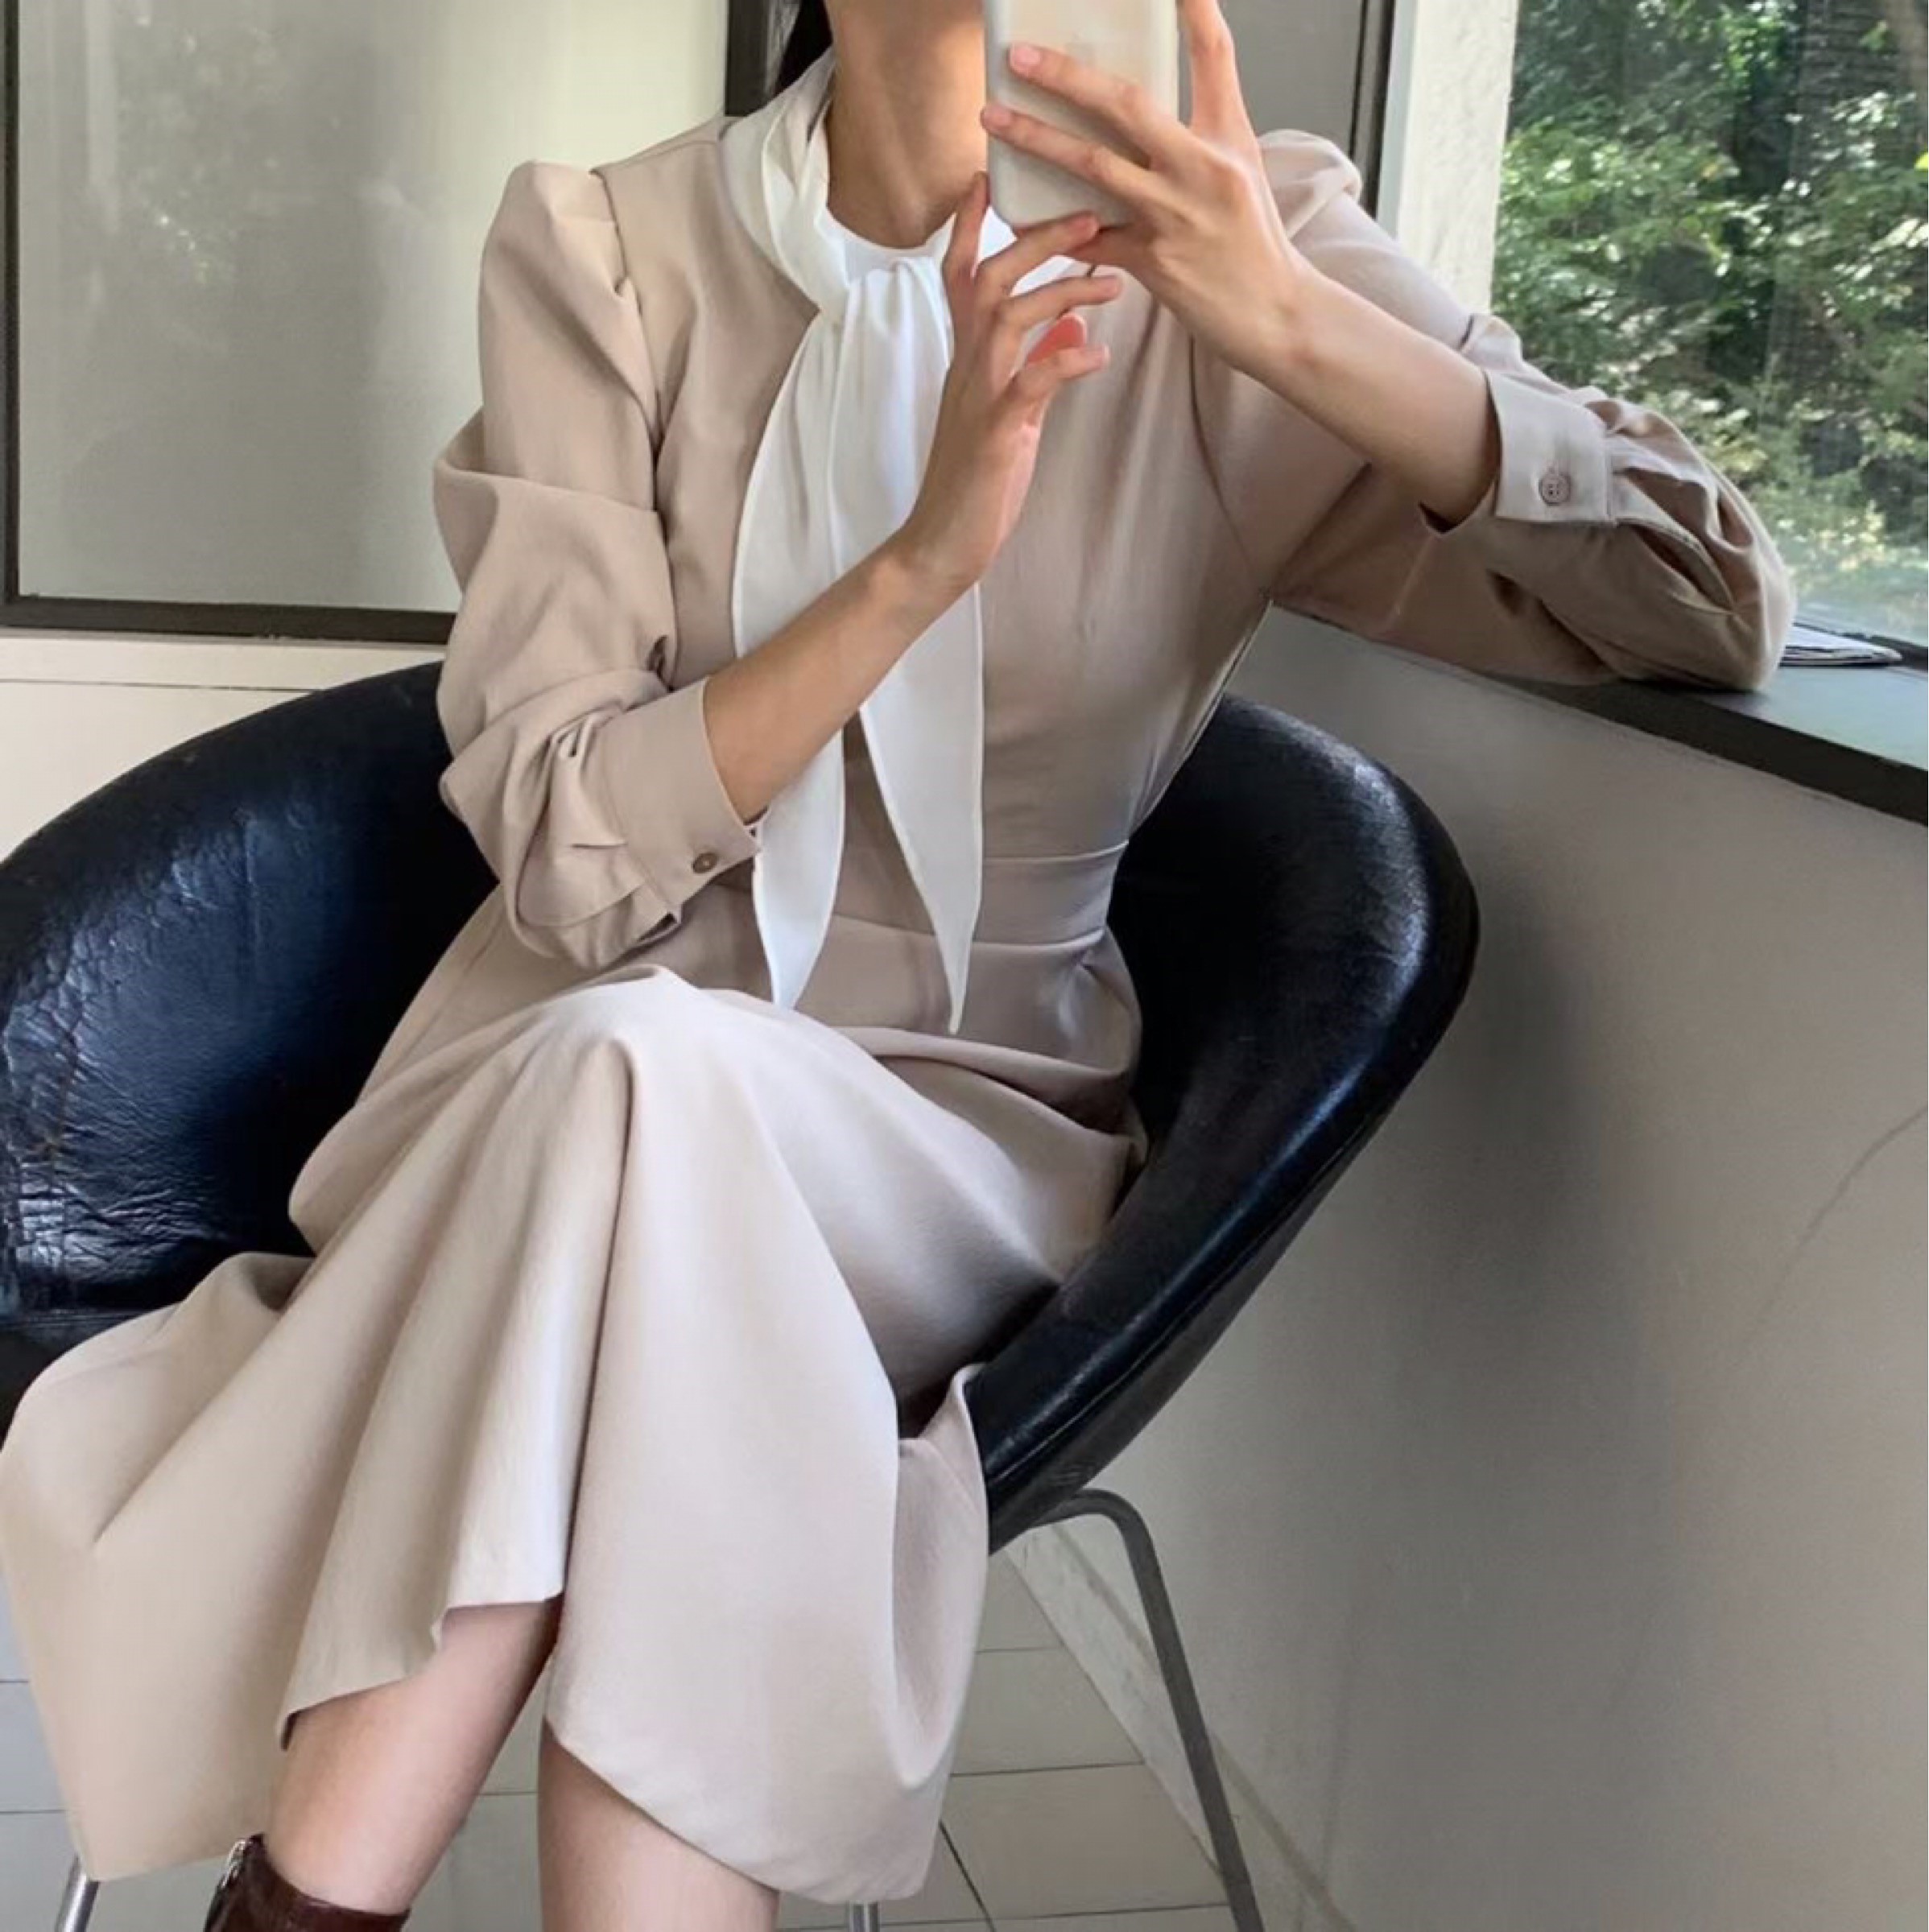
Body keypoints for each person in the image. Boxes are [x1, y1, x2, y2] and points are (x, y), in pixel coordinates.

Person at [0, 2, 1793, 1929]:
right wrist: (915, 565)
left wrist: (1289, 324)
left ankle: (302, 1899)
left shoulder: (1237, 231)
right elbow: (567, 858)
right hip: (542, 1095)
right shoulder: (610, 248)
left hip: (954, 1125)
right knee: (640, 1093)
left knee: (635, 1104)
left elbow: (1708, 601)